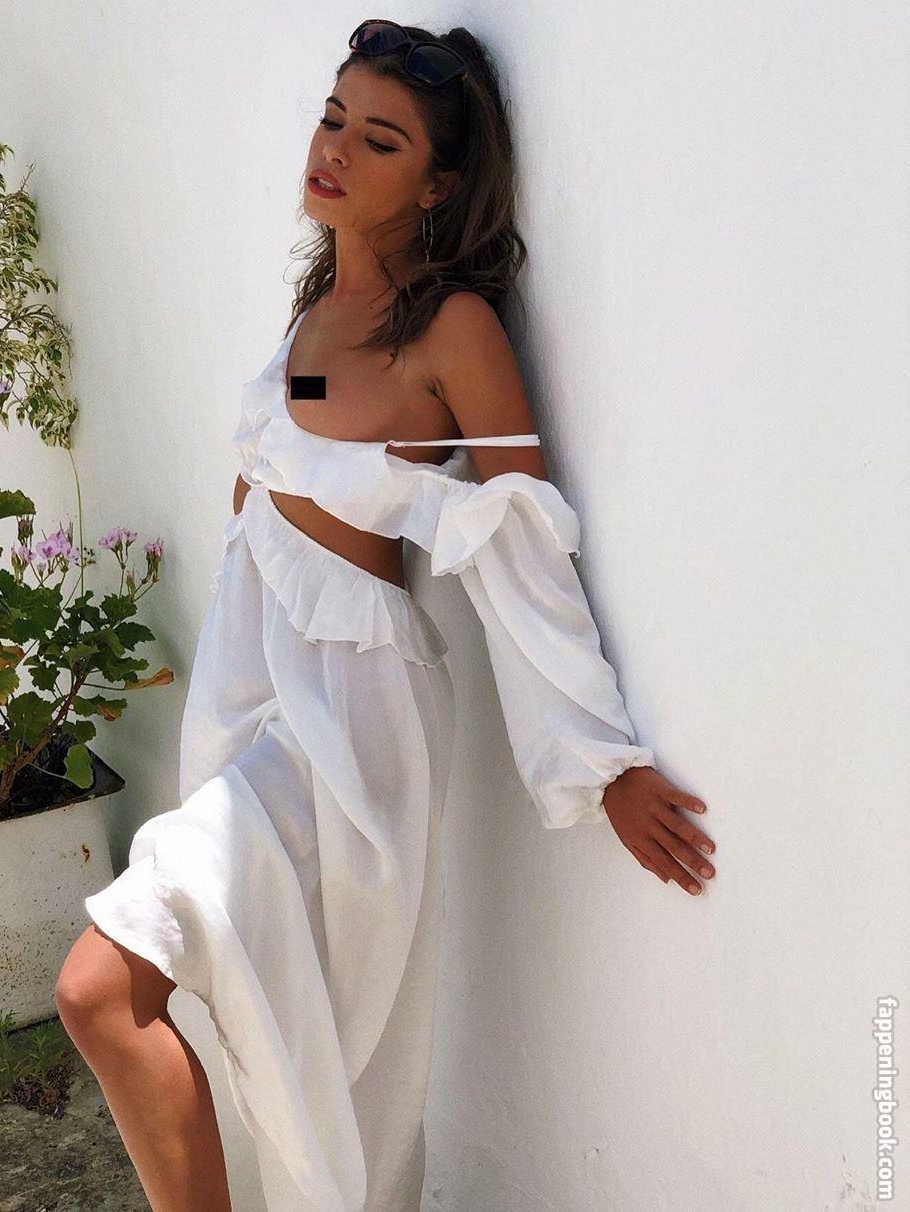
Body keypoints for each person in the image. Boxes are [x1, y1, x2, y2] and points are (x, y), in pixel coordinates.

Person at [55, 21, 717, 1212]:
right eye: (332, 119)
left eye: (380, 139)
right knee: (223, 1010)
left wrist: (600, 762)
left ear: (438, 184)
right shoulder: (317, 320)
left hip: (352, 718)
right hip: (263, 700)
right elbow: (289, 452)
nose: (335, 150)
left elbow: (520, 541)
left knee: (102, 990)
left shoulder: (450, 330)